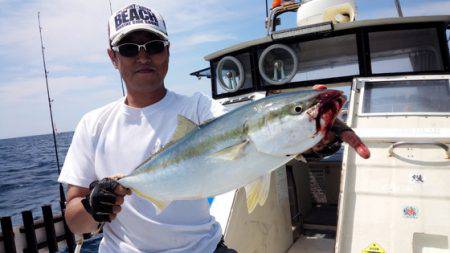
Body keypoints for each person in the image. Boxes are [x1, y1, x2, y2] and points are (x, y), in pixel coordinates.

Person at [59, 3, 370, 253]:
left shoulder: (198, 108)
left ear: (168, 51)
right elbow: (75, 223)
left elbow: (246, 128)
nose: (143, 57)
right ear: (113, 57)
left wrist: (318, 137)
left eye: (153, 46)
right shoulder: (93, 125)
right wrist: (94, 205)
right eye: (129, 48)